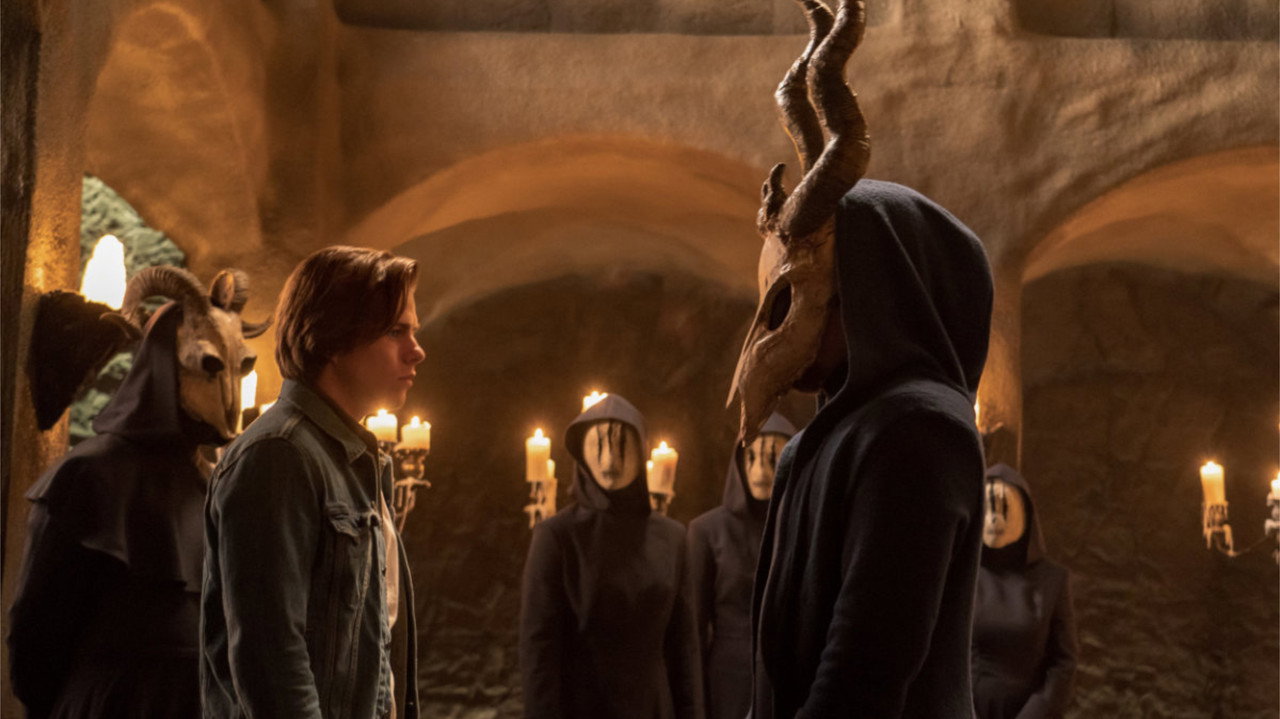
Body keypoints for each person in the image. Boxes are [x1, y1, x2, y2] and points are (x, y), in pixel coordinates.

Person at [736, 180, 993, 719]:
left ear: (871, 286)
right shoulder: (819, 442)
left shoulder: (920, 428)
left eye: (797, 295)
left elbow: (865, 668)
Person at [8, 267, 266, 719]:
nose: (229, 393)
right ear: (167, 363)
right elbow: (38, 635)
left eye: (239, 367)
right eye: (210, 366)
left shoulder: (213, 484)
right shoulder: (90, 474)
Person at [202, 246, 425, 719]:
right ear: (332, 339)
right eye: (395, 331)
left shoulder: (357, 461)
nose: (416, 351)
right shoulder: (279, 455)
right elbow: (271, 657)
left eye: (413, 332)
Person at [519, 394, 703, 719]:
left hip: (652, 708)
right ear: (581, 450)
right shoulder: (557, 536)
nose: (609, 461)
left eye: (621, 444)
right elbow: (539, 653)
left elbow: (684, 649)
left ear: (641, 449)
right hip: (582, 708)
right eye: (600, 444)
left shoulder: (672, 537)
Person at [687, 413, 796, 719]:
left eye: (773, 457)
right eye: (752, 456)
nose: (761, 470)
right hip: (728, 681)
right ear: (739, 460)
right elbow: (692, 632)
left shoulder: (803, 527)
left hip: (789, 677)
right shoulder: (707, 531)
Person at [972, 464, 1078, 719]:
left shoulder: (1052, 580)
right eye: (989, 508)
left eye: (1004, 508)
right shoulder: (964, 578)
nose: (995, 518)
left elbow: (1063, 662)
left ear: (1025, 514)